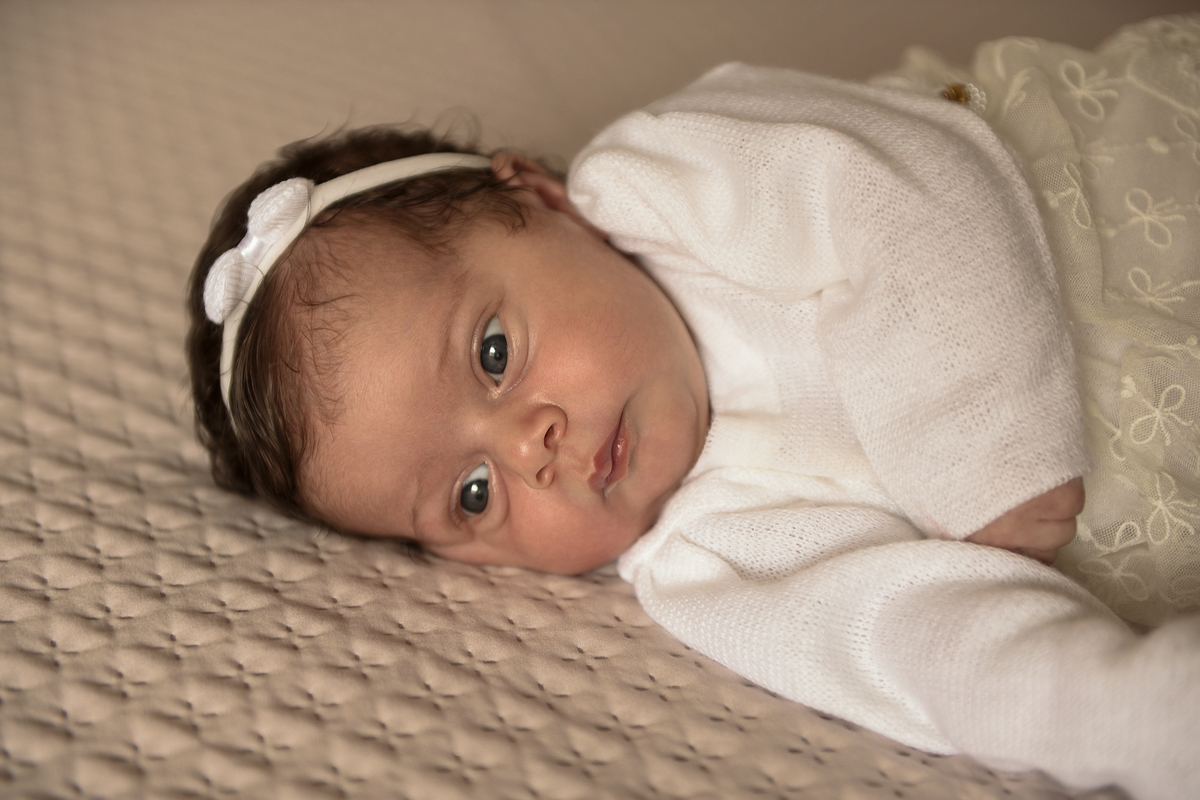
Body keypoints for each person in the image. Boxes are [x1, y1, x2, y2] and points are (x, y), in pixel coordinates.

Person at [187, 24, 1199, 800]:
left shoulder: (666, 178)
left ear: (543, 200)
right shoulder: (699, 561)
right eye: (472, 494)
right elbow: (909, 638)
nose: (531, 449)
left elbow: (894, 182)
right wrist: (1132, 709)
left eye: (494, 354)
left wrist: (986, 449)